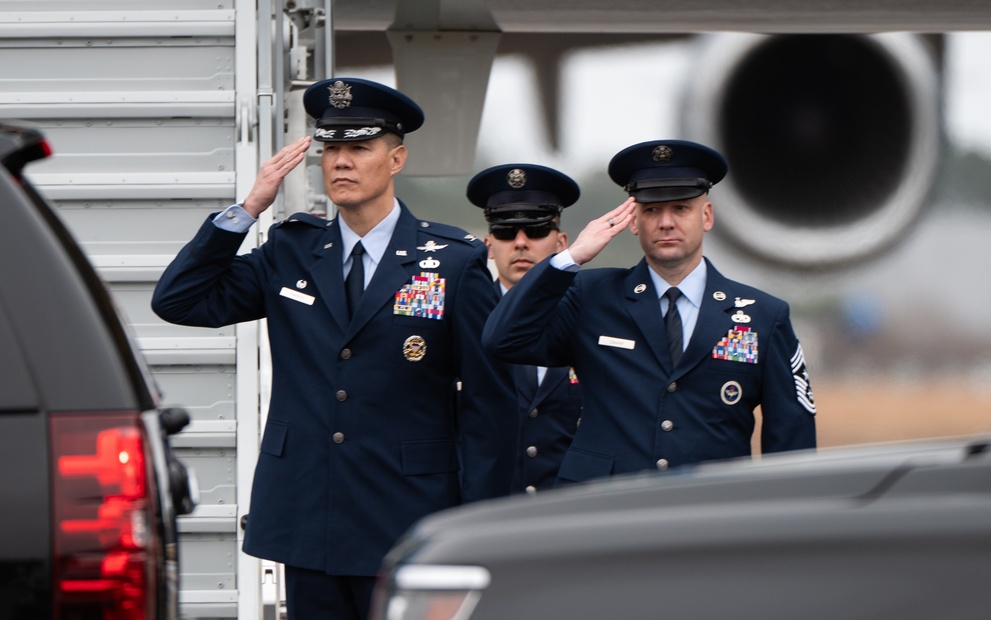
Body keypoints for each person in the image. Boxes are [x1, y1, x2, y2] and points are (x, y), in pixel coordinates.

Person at [151, 77, 516, 620]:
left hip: (408, 516)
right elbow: (180, 300)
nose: (341, 162)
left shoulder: (454, 261)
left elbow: (492, 408)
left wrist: (479, 527)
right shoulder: (292, 250)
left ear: (396, 159)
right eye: (331, 149)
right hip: (309, 513)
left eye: (359, 148)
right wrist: (247, 209)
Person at [482, 139, 817, 484]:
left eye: (681, 208)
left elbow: (792, 440)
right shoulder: (590, 296)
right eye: (652, 210)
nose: (666, 222)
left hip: (713, 515)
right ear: (633, 221)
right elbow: (503, 339)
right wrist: (569, 259)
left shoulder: (764, 315)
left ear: (707, 216)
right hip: (607, 511)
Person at [467, 163, 584, 493]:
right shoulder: (464, 317)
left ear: (562, 242)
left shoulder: (589, 316)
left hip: (571, 514)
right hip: (483, 510)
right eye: (505, 231)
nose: (520, 242)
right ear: (488, 244)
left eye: (535, 230)